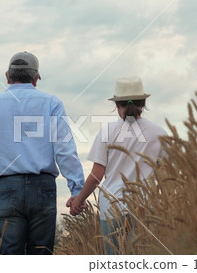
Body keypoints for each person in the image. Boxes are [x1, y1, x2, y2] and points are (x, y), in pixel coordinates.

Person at [0, 51, 84, 255]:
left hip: (5, 189)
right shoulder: (51, 103)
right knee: (40, 254)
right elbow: (65, 150)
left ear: (7, 76)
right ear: (36, 78)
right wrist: (77, 191)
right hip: (43, 188)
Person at [68, 76, 167, 254]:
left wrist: (79, 200)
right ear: (143, 104)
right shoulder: (159, 133)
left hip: (112, 208)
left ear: (117, 105)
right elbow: (165, 176)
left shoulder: (107, 131)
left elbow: (97, 175)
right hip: (146, 207)